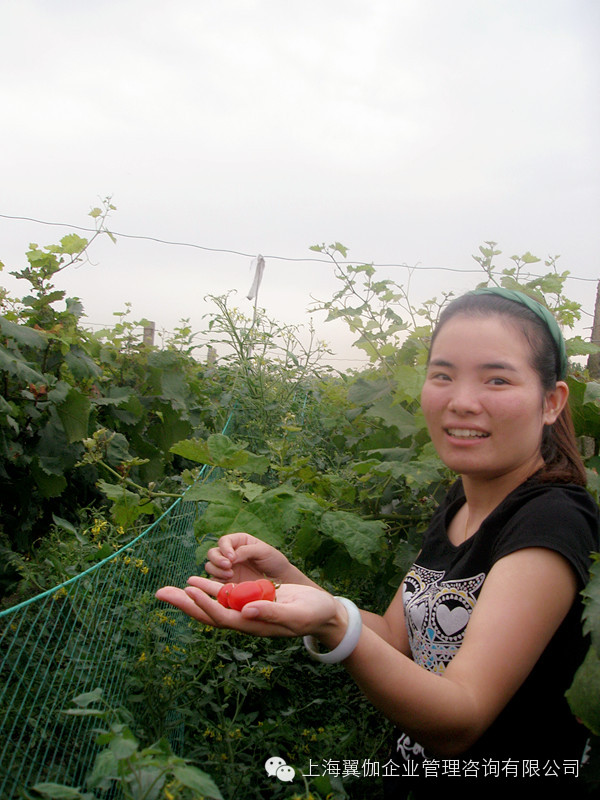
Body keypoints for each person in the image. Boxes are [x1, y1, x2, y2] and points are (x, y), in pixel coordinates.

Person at [156, 288, 600, 797]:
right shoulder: (464, 500)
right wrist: (285, 581)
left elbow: (463, 717)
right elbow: (394, 635)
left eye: (496, 379)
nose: (461, 401)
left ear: (551, 402)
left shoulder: (551, 522)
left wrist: (336, 625)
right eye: (443, 375)